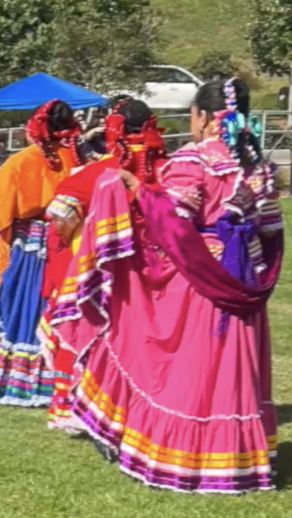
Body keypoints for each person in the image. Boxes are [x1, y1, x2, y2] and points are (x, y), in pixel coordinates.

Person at [49, 79, 282, 494]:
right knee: (232, 364)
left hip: (201, 273)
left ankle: (186, 456)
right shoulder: (258, 164)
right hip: (245, 273)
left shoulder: (195, 159)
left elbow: (174, 219)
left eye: (194, 114)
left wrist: (138, 191)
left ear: (206, 117)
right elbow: (270, 227)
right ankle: (238, 459)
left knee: (188, 361)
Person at [37, 98, 168, 429]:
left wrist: (77, 242)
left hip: (108, 274)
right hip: (163, 271)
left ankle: (92, 407)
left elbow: (60, 212)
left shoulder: (101, 172)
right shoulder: (171, 169)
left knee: (101, 334)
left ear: (114, 130)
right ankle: (147, 411)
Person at [0, 99, 83, 405]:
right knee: (56, 304)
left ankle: (25, 376)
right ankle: (58, 375)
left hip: (30, 245)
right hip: (70, 242)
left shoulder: (20, 162)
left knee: (26, 301)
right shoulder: (78, 159)